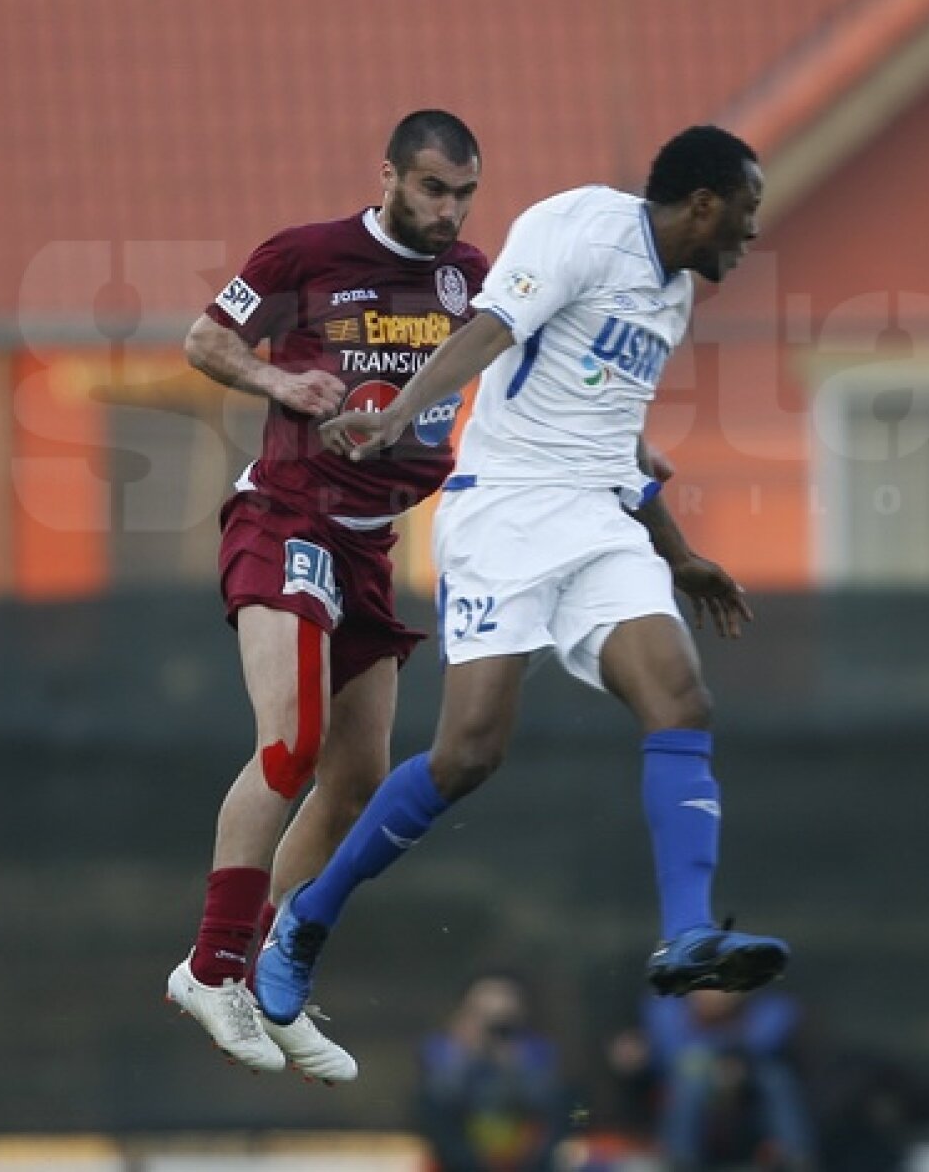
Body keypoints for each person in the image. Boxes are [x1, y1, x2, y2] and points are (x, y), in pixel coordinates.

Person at [253, 123, 790, 1034]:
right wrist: (396, 420)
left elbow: (613, 434)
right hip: (503, 511)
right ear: (703, 205)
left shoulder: (673, 298)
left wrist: (676, 551)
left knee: (682, 702)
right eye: (743, 218)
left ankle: (688, 935)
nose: (747, 237)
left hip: (596, 523)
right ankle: (304, 920)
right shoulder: (581, 226)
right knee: (469, 754)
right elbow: (492, 329)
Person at [167, 109, 487, 1078]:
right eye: (433, 188)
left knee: (356, 776)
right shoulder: (306, 254)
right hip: (287, 522)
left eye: (465, 193)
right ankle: (209, 969)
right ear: (387, 175)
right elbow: (201, 339)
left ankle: (267, 969)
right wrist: (279, 380)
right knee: (289, 741)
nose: (449, 211)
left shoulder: (467, 276)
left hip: (369, 550)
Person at [609, 988, 817, 1171]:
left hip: (749, 1119)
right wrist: (636, 1060)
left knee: (776, 1077)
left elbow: (768, 1042)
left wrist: (734, 1062)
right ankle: (680, 1162)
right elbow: (655, 1061)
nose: (713, 995)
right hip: (683, 1118)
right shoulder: (665, 1015)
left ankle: (796, 1157)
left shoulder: (768, 1013)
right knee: (691, 1078)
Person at [416, 970, 570, 1172]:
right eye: (483, 1016)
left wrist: (513, 1064)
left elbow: (554, 1113)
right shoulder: (443, 1051)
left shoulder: (536, 1052)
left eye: (503, 1022)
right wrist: (464, 1056)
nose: (493, 1031)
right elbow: (436, 1111)